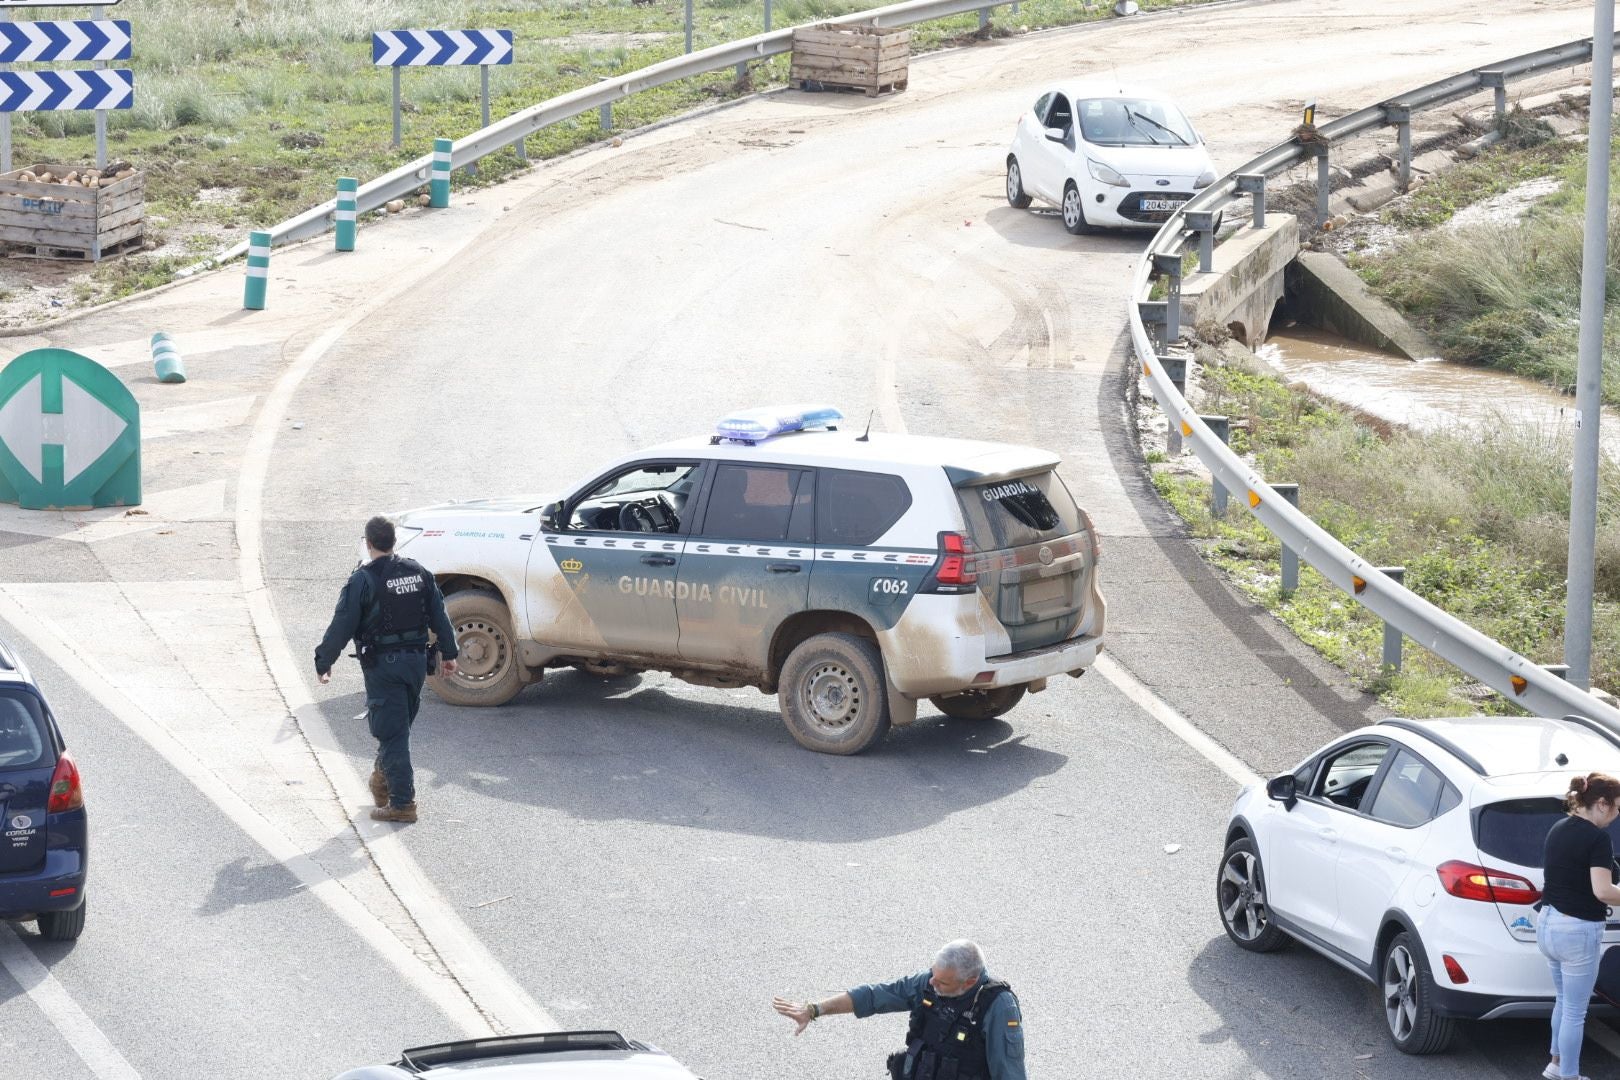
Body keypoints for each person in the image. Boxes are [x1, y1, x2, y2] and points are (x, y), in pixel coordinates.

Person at [314, 515, 458, 824]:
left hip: (384, 668)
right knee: (397, 730)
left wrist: (324, 662)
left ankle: (402, 803)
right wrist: (450, 653)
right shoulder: (419, 573)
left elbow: (342, 625)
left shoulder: (362, 580)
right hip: (417, 665)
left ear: (368, 544)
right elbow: (440, 615)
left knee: (393, 735)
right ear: (394, 542)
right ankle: (382, 779)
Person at [772, 939, 1025, 1080]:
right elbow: (875, 996)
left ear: (969, 982)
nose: (932, 984)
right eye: (932, 975)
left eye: (942, 982)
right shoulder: (930, 982)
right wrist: (814, 1010)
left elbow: (1010, 1074)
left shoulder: (998, 1007)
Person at [1538, 772, 1620, 1080]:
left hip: (1548, 925)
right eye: (1616, 808)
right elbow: (1602, 891)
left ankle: (1555, 1065)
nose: (1616, 816)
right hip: (1576, 932)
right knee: (1575, 1011)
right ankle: (1568, 1075)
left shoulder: (1558, 828)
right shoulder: (1597, 838)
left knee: (1564, 1002)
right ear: (1601, 804)